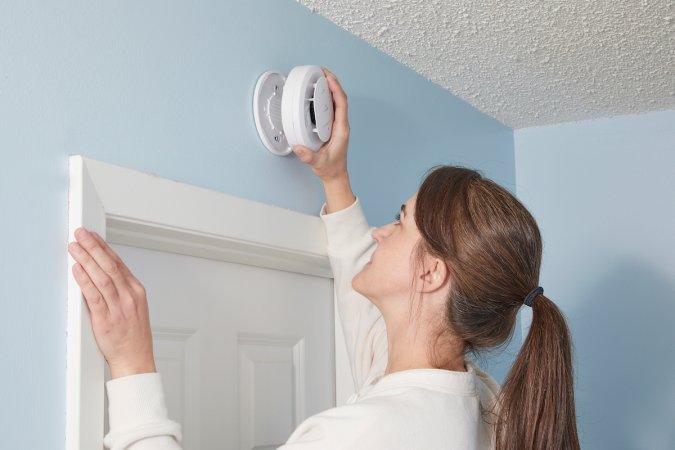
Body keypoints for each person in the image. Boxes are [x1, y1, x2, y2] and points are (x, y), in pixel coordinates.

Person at [68, 68, 580, 450]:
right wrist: (334, 179)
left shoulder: (361, 435)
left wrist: (133, 364)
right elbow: (376, 333)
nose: (381, 232)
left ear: (429, 272)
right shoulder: (480, 401)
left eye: (400, 221)